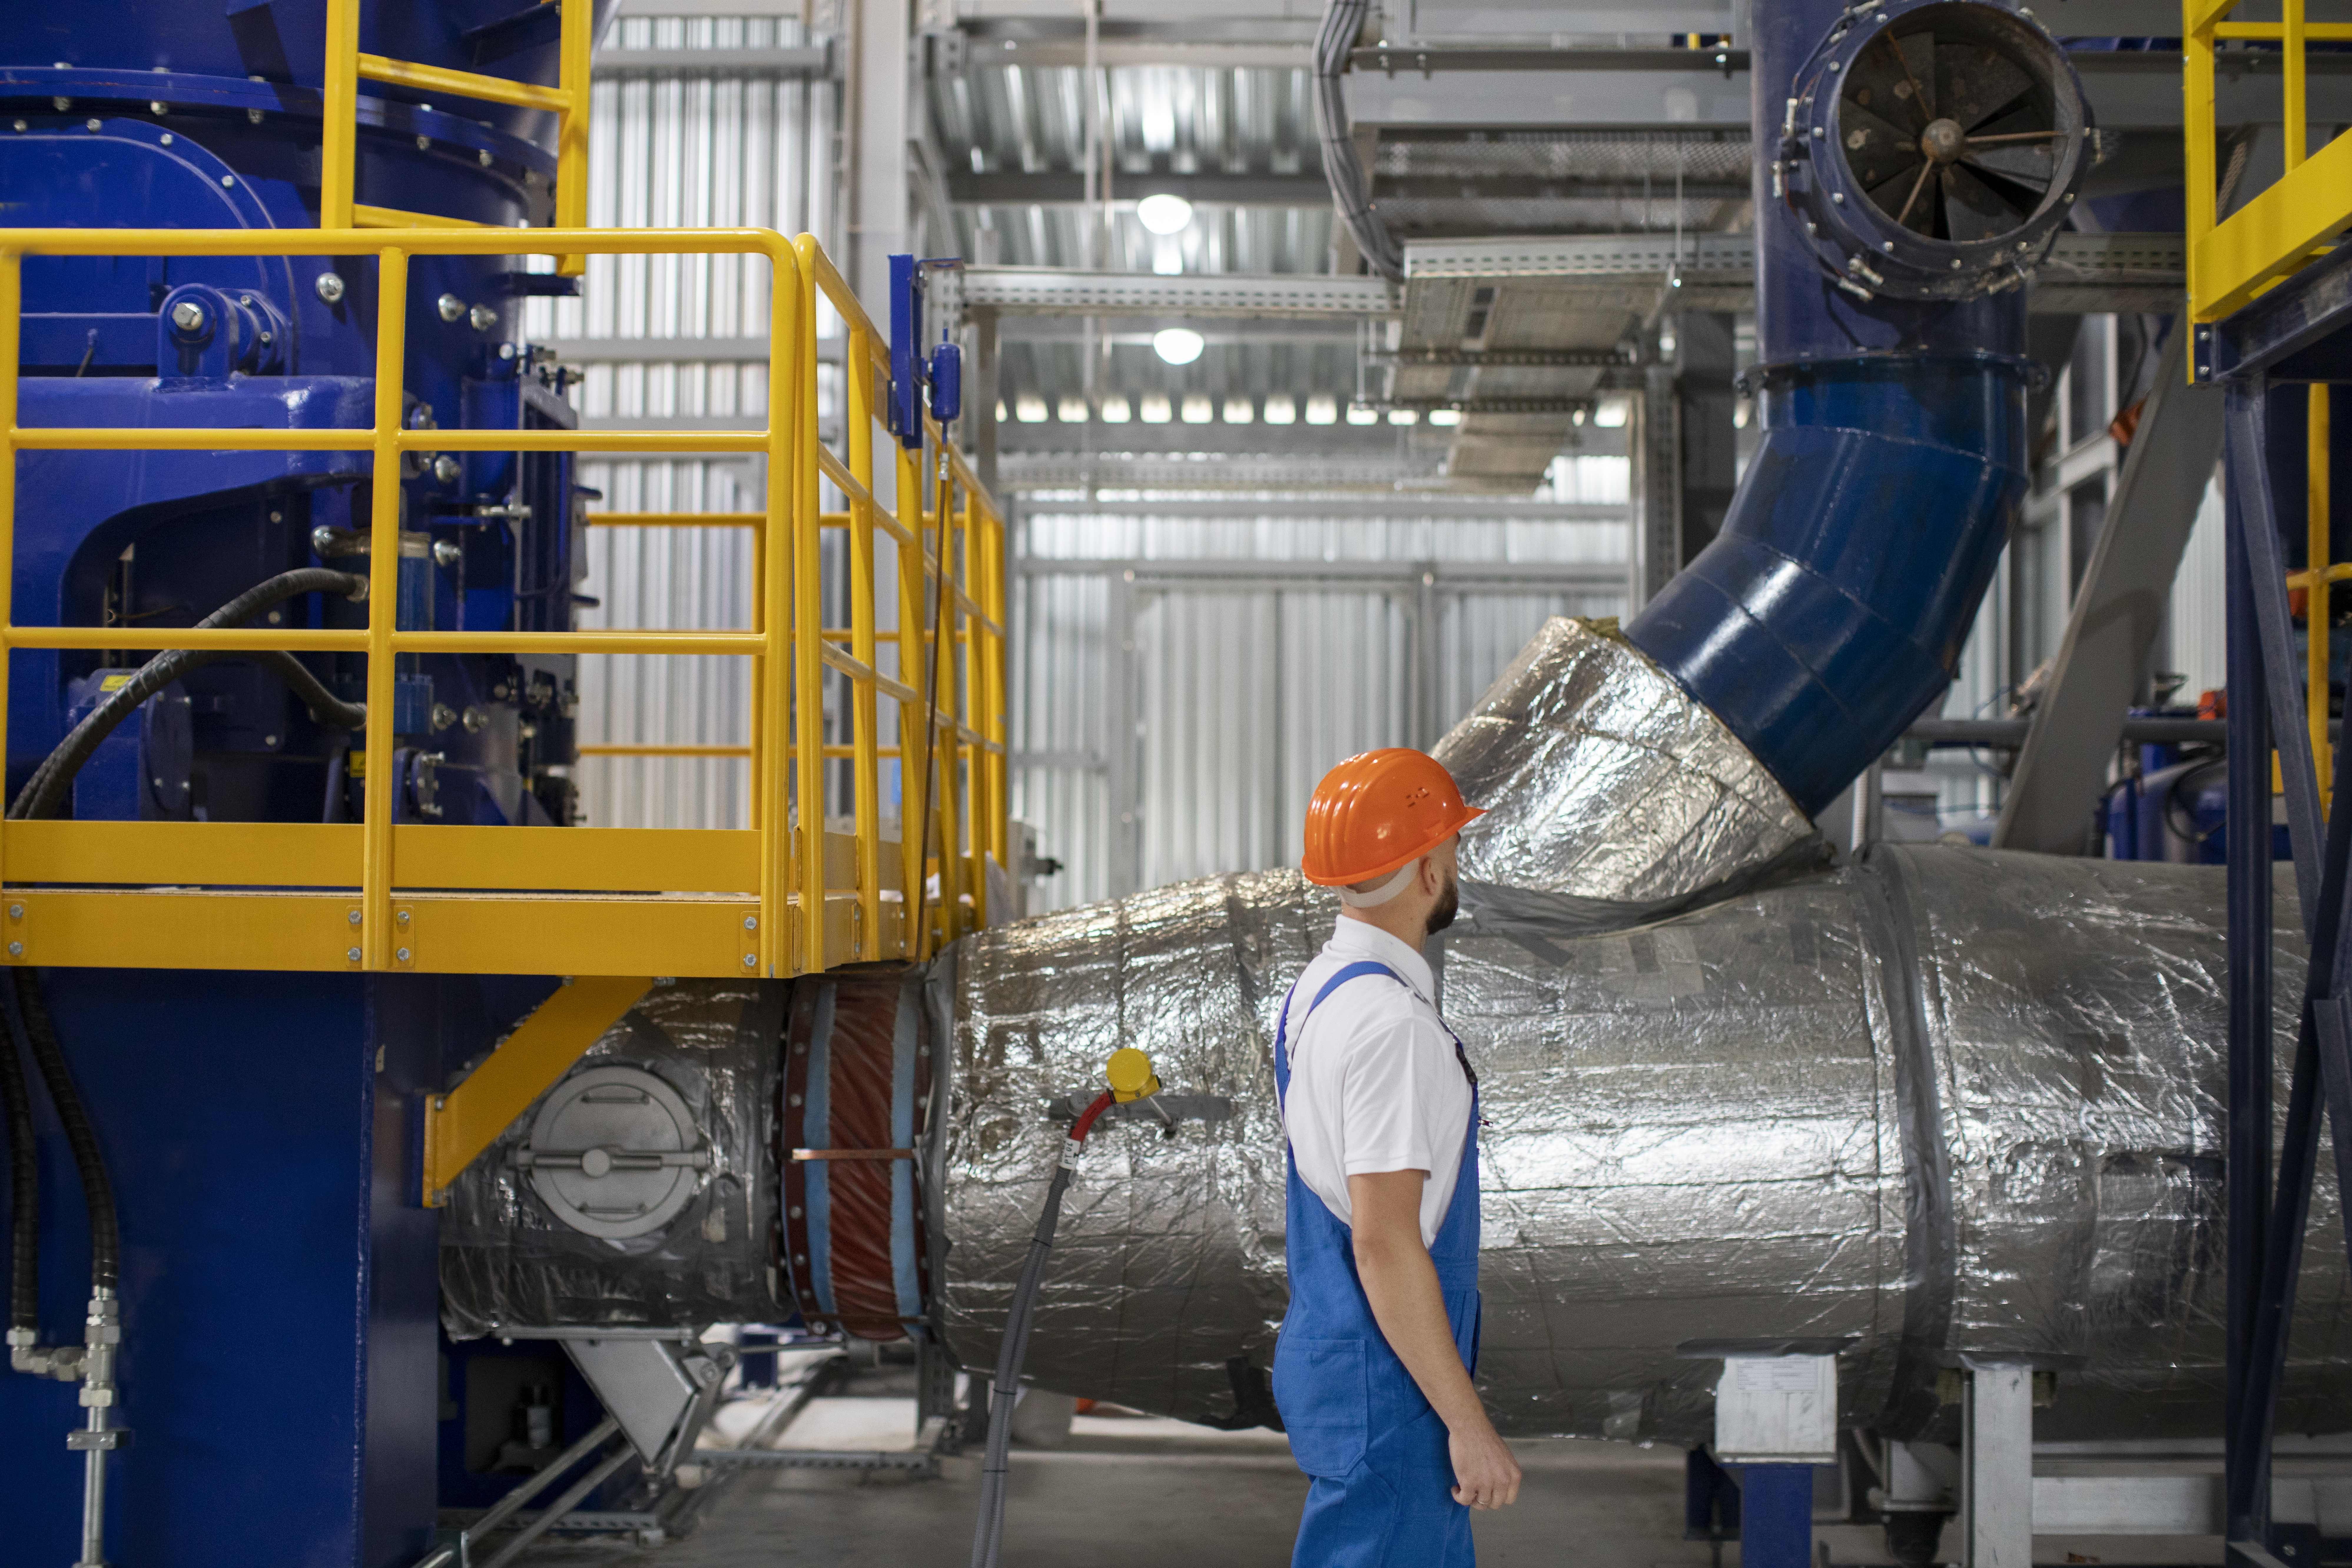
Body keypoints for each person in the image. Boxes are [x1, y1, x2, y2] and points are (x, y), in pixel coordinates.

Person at [1272, 747, 1521, 1568]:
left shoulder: (1319, 990)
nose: (1455, 864)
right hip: (1393, 1389)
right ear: (1424, 872)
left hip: (1347, 1355)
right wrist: (1468, 1424)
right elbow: (1383, 1243)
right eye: (1450, 849)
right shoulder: (1392, 1029)